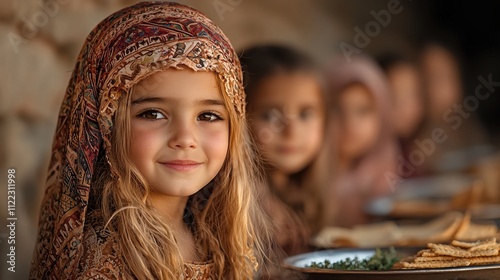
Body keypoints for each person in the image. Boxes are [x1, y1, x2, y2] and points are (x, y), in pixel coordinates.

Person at [30, 2, 272, 279]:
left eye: (207, 115)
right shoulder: (104, 262)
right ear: (106, 127)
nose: (185, 139)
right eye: (153, 113)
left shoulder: (206, 231)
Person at [239, 45, 327, 255]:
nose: (291, 132)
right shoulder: (240, 210)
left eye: (305, 115)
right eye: (271, 116)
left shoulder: (311, 195)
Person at [324, 56, 400, 227]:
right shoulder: (308, 181)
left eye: (363, 111)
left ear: (382, 115)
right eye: (337, 109)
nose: (350, 124)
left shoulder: (383, 173)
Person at [377, 52, 426, 177]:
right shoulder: (377, 156)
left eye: (413, 95)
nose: (406, 108)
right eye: (395, 97)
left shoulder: (408, 148)